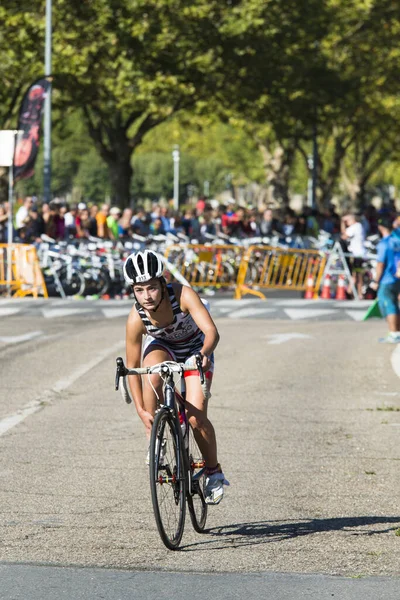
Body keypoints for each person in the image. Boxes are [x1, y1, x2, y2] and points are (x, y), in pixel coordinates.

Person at [123, 250, 229, 505]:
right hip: (163, 348)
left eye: (151, 288)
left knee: (195, 417)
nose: (146, 296)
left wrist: (204, 354)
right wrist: (140, 410)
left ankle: (213, 472)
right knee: (152, 372)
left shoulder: (182, 295)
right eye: (139, 290)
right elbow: (132, 367)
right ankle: (157, 435)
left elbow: (212, 332)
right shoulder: (137, 317)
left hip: (196, 349)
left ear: (162, 283)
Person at [370, 216, 400, 343]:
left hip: (387, 279)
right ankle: (396, 332)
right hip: (397, 277)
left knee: (389, 305)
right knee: (394, 304)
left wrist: (376, 281)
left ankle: (394, 334)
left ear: (380, 227)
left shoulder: (384, 244)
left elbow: (380, 264)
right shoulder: (397, 241)